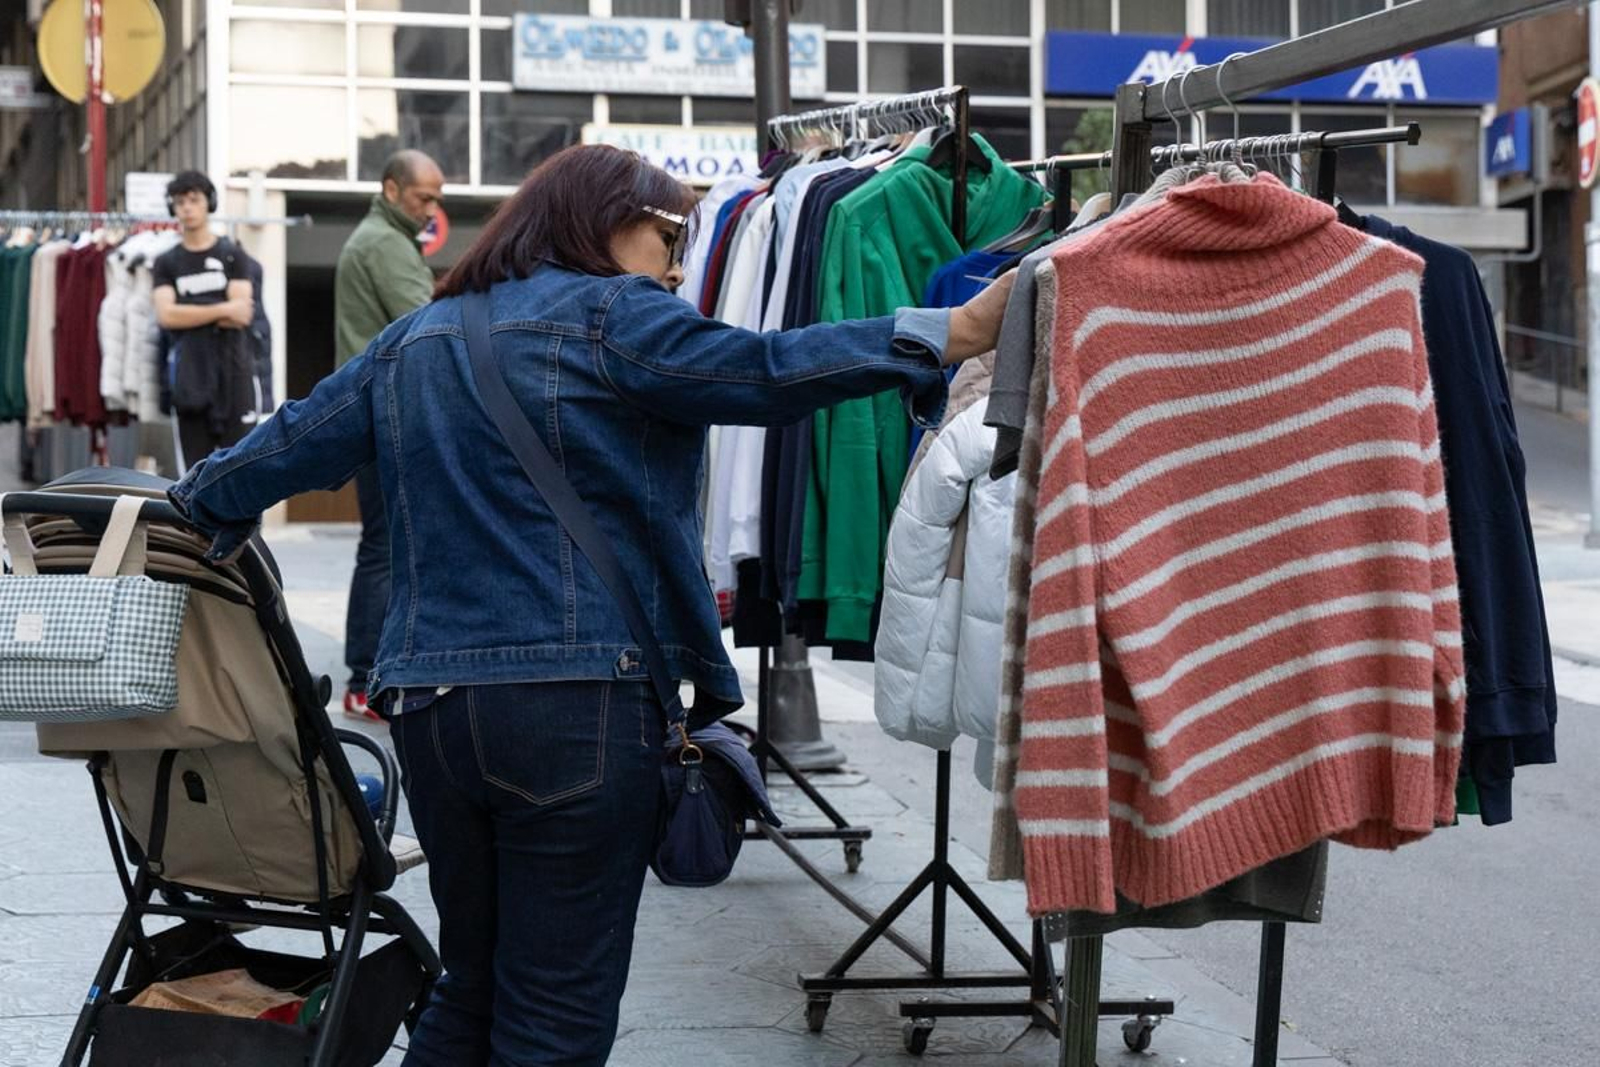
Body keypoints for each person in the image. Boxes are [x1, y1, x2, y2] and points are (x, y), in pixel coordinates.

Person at [167, 145, 1014, 1067]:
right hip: (574, 707)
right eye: (670, 234)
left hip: (432, 714)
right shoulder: (616, 314)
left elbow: (271, 454)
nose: (681, 262)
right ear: (606, 219)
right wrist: (950, 330)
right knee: (555, 1018)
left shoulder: (415, 337)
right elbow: (762, 369)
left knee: (469, 989)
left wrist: (176, 503)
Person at [333, 149, 445, 720]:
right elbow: (432, 323)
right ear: (392, 188)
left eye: (437, 198)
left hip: (376, 412)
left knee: (386, 548)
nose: (432, 209)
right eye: (424, 197)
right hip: (389, 414)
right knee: (386, 551)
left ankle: (369, 676)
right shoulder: (384, 243)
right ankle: (364, 679)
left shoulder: (382, 237)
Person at [151, 171, 257, 473]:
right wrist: (220, 309)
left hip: (233, 374)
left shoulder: (232, 255)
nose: (187, 207)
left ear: (208, 202)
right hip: (190, 378)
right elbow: (166, 315)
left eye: (194, 199)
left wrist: (190, 311)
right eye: (180, 201)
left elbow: (242, 315)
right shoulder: (166, 262)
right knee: (195, 472)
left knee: (240, 467)